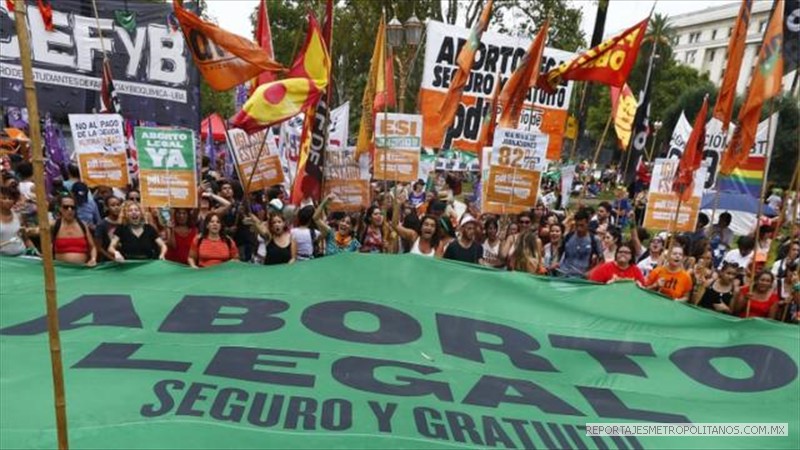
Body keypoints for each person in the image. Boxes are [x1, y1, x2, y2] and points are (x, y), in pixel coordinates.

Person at [52, 195, 97, 266]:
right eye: (66, 207)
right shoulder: (54, 225)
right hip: (60, 270)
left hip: (81, 270)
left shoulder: (83, 225)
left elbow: (93, 247)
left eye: (72, 207)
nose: (70, 210)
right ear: (60, 208)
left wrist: (93, 259)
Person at [558, 209, 603, 278]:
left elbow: (601, 261)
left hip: (582, 277)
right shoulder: (568, 237)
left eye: (582, 225)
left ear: (588, 223)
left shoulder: (594, 239)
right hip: (564, 274)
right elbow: (559, 253)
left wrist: (591, 272)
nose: (579, 229)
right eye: (577, 225)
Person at [93, 195, 122, 262]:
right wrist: (113, 259)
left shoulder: (124, 223)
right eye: (113, 205)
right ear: (107, 207)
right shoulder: (101, 225)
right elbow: (99, 247)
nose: (116, 207)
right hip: (107, 262)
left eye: (118, 205)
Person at [0, 186, 27, 256]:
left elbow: (25, 238)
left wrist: (35, 250)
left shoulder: (19, 216)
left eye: (10, 198)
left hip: (22, 255)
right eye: (4, 198)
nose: (8, 201)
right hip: (3, 259)